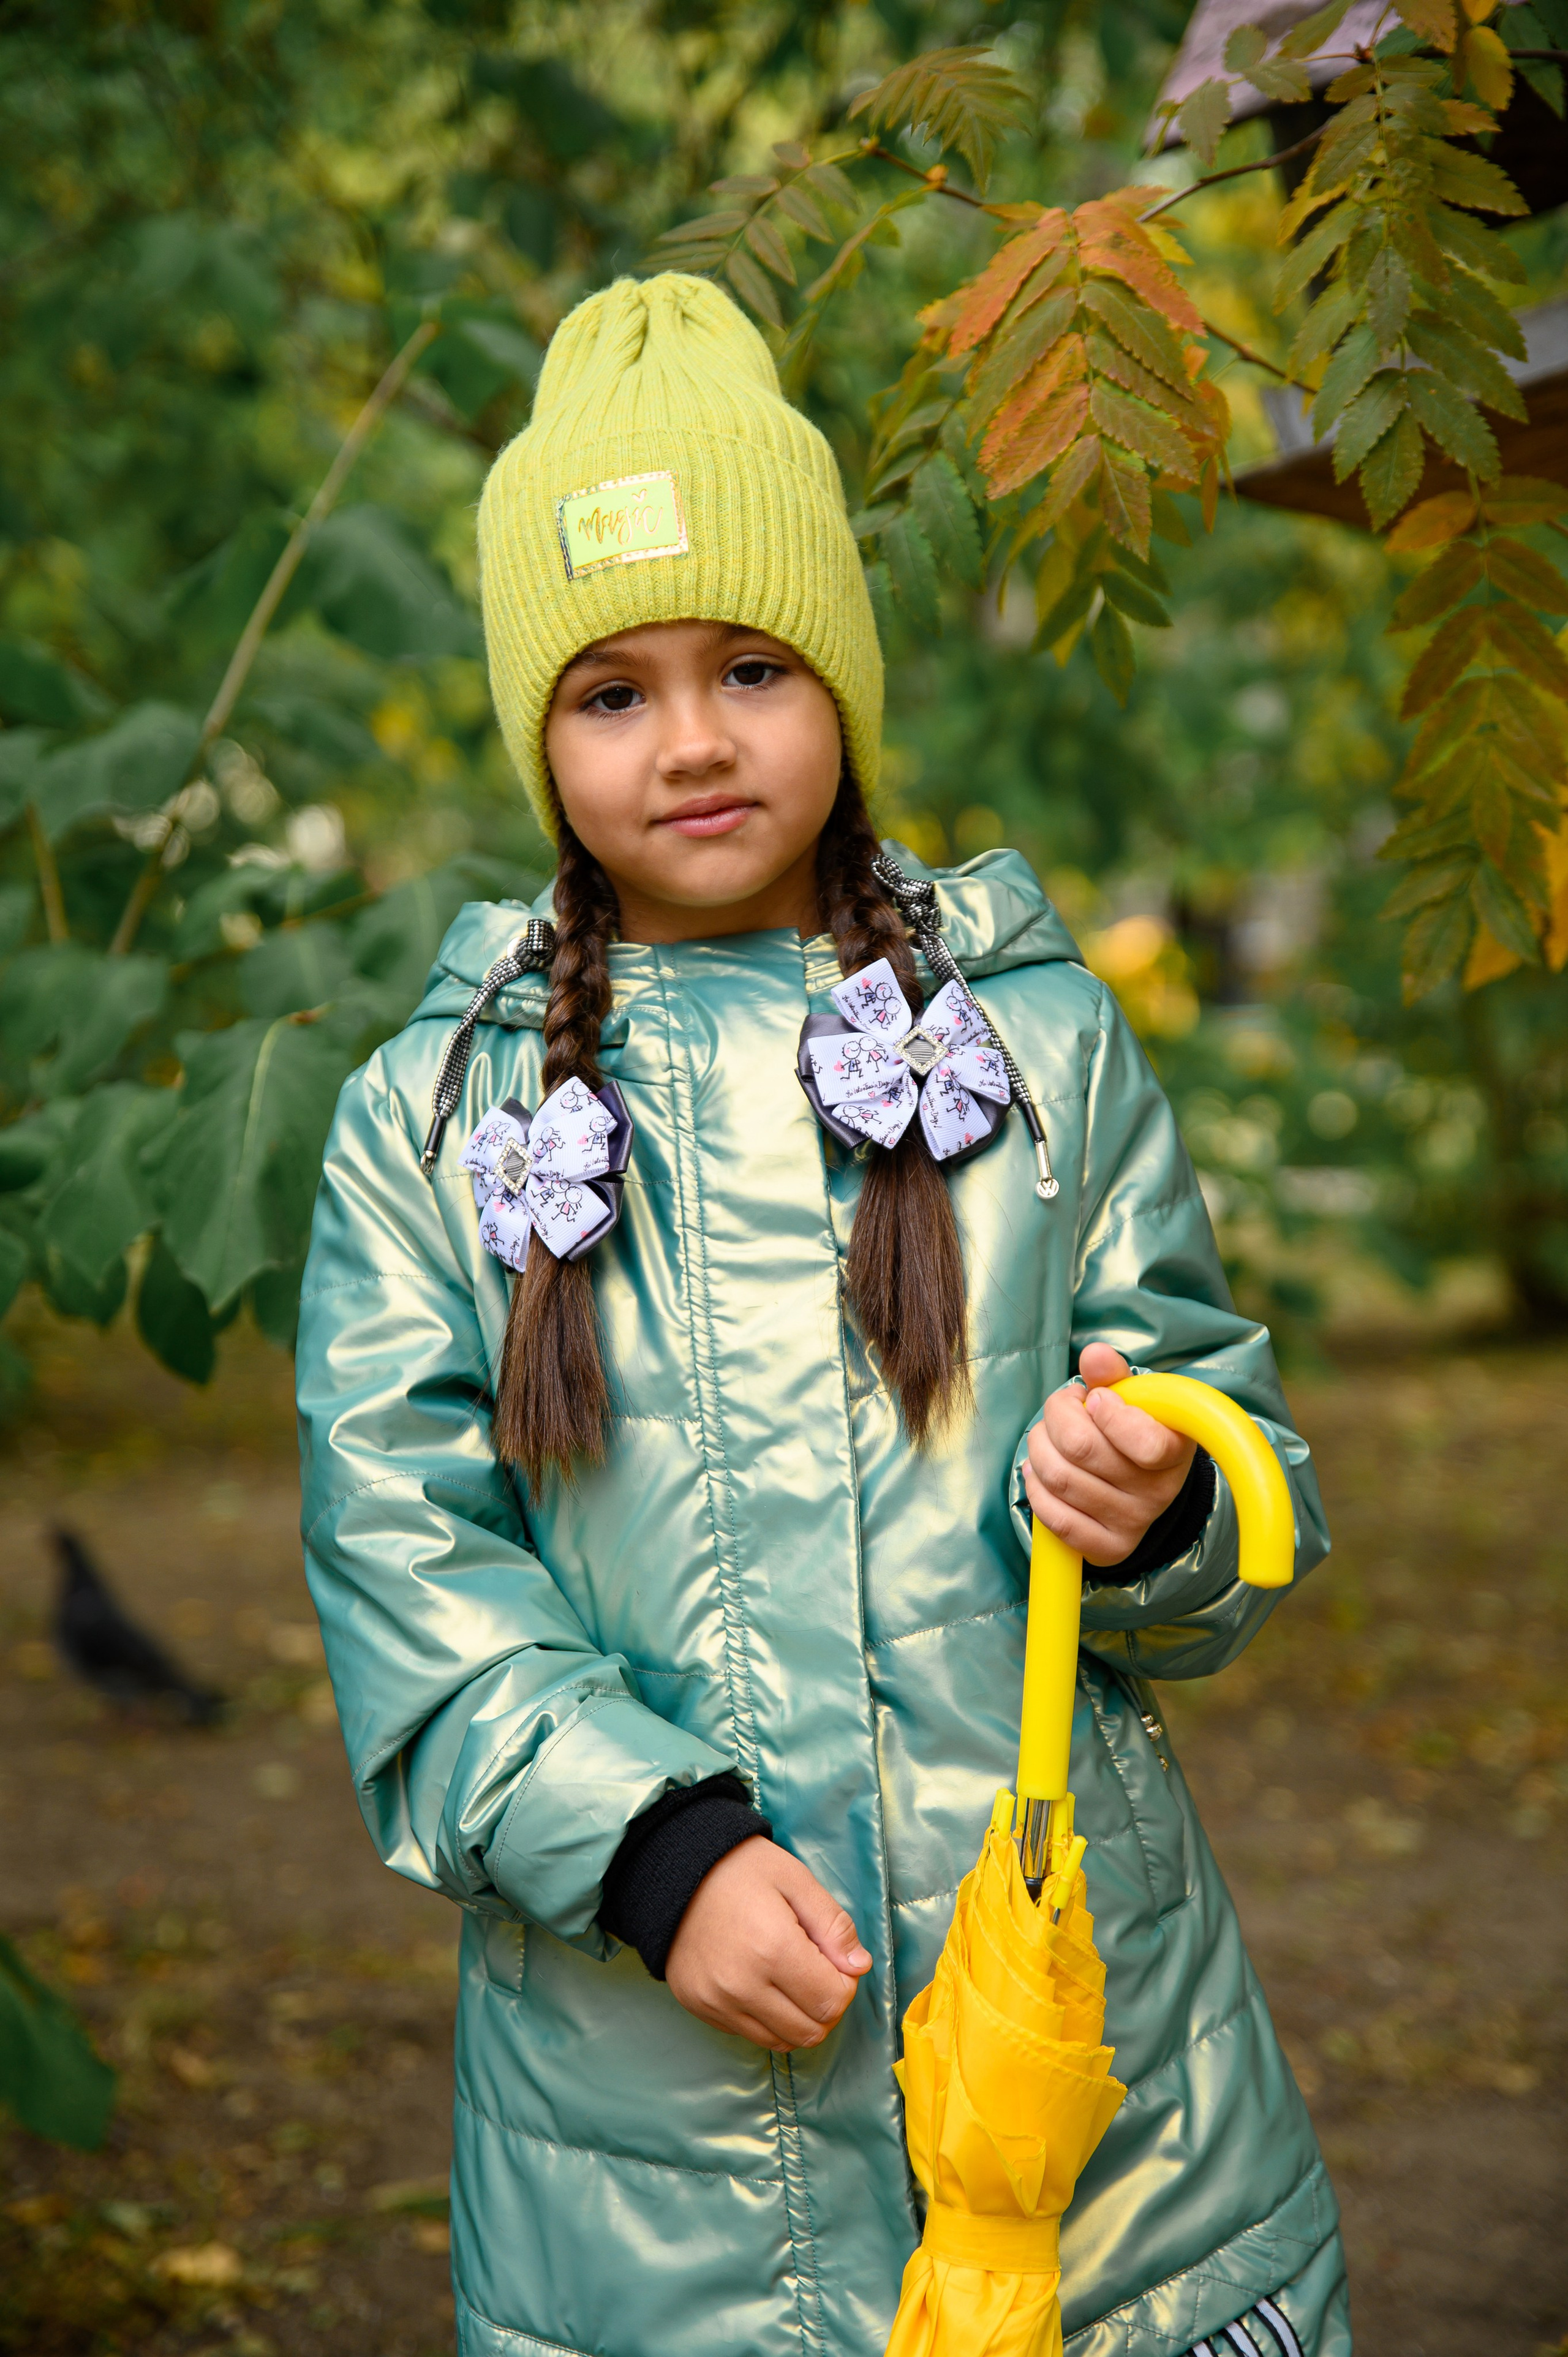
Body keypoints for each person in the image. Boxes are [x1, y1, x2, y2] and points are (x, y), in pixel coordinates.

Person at [296, 272, 1349, 2357]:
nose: (692, 739)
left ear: (844, 681)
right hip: (658, 2140)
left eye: (753, 665)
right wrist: (650, 1851)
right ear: (540, 731)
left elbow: (1222, 1427)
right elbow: (400, 1558)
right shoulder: (431, 1119)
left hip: (1089, 2097)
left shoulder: (1033, 1043)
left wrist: (1159, 1495)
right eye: (612, 692)